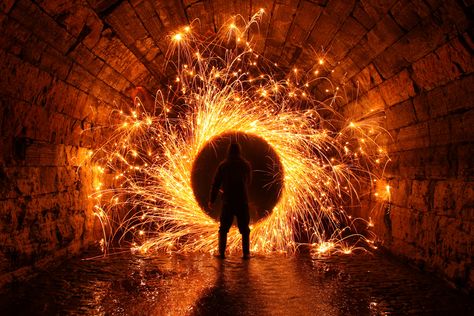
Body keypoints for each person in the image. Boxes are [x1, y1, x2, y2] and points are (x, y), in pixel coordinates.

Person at [208, 142, 252, 259]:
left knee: (223, 229)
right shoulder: (246, 165)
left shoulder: (223, 165)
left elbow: (216, 184)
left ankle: (221, 253)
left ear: (228, 151)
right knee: (245, 229)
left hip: (228, 201)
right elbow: (249, 182)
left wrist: (212, 200)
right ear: (239, 151)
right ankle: (246, 254)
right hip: (242, 201)